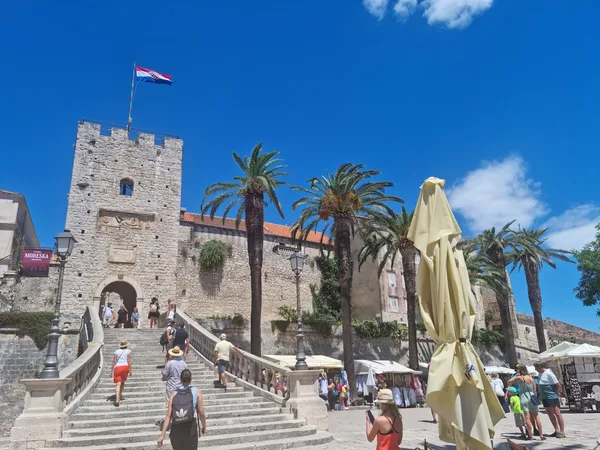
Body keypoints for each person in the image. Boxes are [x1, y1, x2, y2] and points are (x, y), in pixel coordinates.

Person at [158, 369, 206, 450]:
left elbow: (168, 416)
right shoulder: (196, 391)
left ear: (180, 379)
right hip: (190, 429)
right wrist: (204, 427)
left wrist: (162, 436)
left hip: (176, 430)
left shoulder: (174, 394)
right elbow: (201, 412)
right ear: (191, 379)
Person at [508, 365, 544, 441]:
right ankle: (541, 435)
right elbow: (534, 390)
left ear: (520, 371)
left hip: (524, 397)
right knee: (536, 416)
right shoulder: (531, 378)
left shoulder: (520, 378)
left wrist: (516, 376)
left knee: (527, 417)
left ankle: (530, 436)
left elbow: (509, 382)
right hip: (532, 397)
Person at [534, 362, 565, 438]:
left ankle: (562, 431)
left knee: (557, 413)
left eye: (536, 367)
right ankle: (556, 430)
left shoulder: (549, 373)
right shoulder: (540, 374)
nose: (535, 369)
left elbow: (557, 384)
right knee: (550, 413)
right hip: (545, 397)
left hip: (552, 396)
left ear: (540, 367)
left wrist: (558, 394)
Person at [111, 340, 131, 407]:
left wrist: (112, 370)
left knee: (118, 384)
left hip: (118, 367)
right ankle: (119, 395)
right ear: (126, 346)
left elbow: (114, 361)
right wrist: (130, 370)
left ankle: (117, 400)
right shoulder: (128, 351)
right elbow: (129, 361)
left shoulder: (116, 351)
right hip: (125, 367)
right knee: (122, 382)